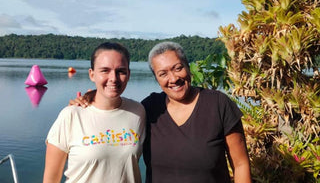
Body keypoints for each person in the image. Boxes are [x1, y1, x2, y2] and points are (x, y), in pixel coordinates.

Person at [70, 41, 252, 183]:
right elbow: (114, 113)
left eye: (178, 68)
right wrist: (91, 98)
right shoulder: (149, 108)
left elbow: (241, 164)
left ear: (188, 67)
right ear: (156, 78)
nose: (173, 78)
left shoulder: (218, 104)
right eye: (163, 73)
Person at [43, 42, 146, 183]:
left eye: (121, 71)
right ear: (92, 74)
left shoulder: (138, 112)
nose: (113, 78)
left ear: (128, 74)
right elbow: (51, 179)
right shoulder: (71, 115)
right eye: (105, 70)